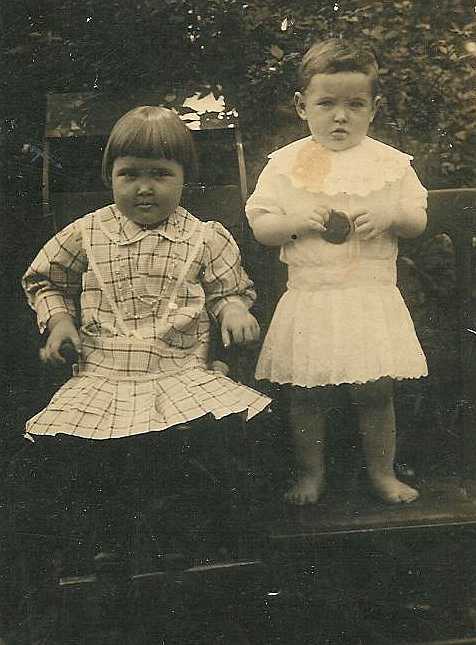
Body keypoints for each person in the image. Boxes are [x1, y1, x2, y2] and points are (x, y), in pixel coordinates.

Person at [14, 106, 270, 553]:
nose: (144, 188)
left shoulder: (205, 237)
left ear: (184, 177)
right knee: (96, 456)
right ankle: (110, 540)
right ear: (109, 176)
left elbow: (229, 289)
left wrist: (231, 310)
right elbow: (45, 280)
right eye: (128, 174)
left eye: (161, 174)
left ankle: (178, 536)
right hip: (104, 371)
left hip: (181, 368)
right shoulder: (88, 232)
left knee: (189, 448)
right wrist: (59, 321)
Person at [246, 39, 428, 506]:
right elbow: (262, 224)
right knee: (308, 395)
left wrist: (389, 217)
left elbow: (417, 217)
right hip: (313, 295)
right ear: (302, 106)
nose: (340, 116)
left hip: (369, 297)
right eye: (326, 104)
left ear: (374, 108)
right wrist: (294, 223)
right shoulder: (287, 164)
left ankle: (382, 474)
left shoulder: (389, 163)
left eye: (355, 105)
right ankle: (311, 474)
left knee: (375, 392)